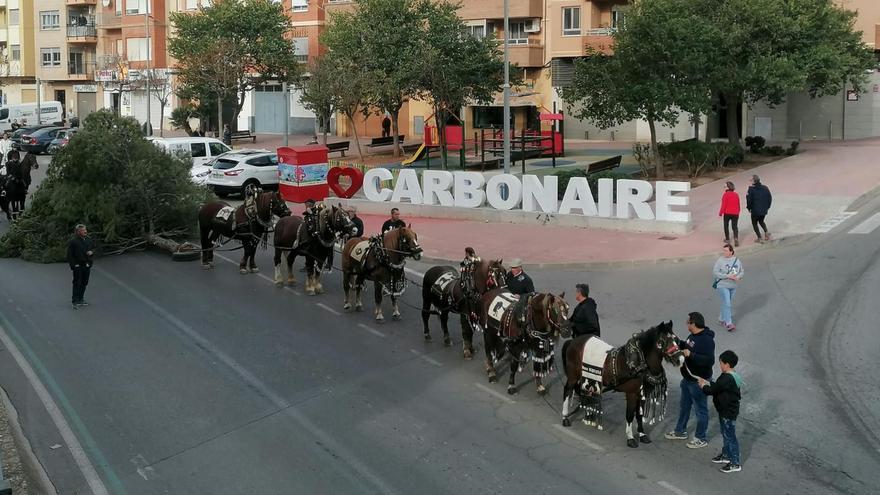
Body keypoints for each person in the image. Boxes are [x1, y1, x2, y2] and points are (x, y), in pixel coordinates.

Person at [665, 311, 716, 449]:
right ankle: (680, 431)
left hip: (698, 382)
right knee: (684, 407)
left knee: (701, 411)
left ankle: (700, 438)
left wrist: (691, 355)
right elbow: (687, 346)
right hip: (687, 380)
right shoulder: (693, 336)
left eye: (688, 322)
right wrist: (678, 342)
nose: (687, 324)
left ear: (694, 323)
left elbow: (710, 361)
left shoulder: (706, 340)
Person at [699, 350, 743, 473]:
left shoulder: (727, 378)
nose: (720, 365)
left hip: (728, 412)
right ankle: (726, 455)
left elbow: (714, 390)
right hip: (726, 410)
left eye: (721, 363)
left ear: (727, 364)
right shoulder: (732, 375)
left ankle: (735, 462)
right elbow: (719, 386)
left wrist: (703, 386)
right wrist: (709, 382)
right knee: (726, 434)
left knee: (730, 436)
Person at [713, 243, 743, 331]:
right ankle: (728, 323)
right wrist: (727, 276)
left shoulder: (737, 260)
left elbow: (741, 271)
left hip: (733, 286)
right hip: (722, 285)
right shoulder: (720, 260)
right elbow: (715, 272)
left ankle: (721, 319)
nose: (724, 252)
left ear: (731, 252)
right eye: (723, 251)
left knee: (726, 303)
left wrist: (738, 277)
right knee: (728, 303)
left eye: (726, 251)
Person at [67, 224, 95, 309]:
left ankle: (81, 299)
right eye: (83, 230)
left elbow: (93, 249)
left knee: (84, 282)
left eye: (85, 230)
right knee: (77, 282)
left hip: (87, 265)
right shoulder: (74, 242)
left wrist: (92, 253)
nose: (85, 231)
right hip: (78, 265)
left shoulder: (89, 240)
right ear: (78, 232)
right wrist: (74, 265)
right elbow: (69, 255)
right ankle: (75, 301)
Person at [746, 175, 772, 243]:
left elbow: (749, 200)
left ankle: (759, 237)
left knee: (754, 223)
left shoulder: (751, 189)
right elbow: (769, 198)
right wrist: (767, 207)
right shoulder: (765, 188)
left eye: (751, 180)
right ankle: (766, 233)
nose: (750, 181)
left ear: (754, 181)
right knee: (761, 221)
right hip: (764, 210)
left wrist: (749, 208)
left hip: (755, 210)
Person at [719, 181, 740, 247]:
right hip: (735, 213)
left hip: (727, 213)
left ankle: (727, 239)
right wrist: (738, 211)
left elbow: (723, 205)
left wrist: (720, 213)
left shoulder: (725, 195)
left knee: (726, 225)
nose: (724, 187)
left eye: (725, 186)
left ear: (728, 187)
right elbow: (738, 204)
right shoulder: (736, 194)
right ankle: (736, 238)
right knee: (735, 226)